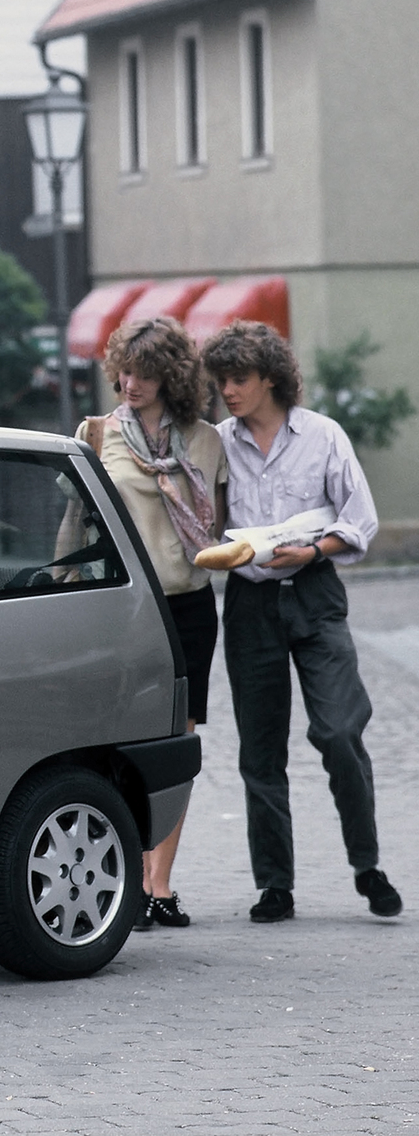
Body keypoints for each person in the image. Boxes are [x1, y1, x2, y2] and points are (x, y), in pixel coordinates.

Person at [201, 321, 401, 922]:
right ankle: (275, 885)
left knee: (340, 731)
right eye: (221, 382)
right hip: (249, 603)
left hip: (314, 592)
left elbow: (359, 521)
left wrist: (313, 551)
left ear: (270, 378)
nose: (229, 391)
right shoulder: (217, 443)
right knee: (260, 750)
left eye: (239, 380)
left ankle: (367, 866)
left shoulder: (323, 436)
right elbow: (203, 525)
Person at [78, 317, 226, 930]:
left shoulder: (207, 441)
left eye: (141, 372)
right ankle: (125, 877)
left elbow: (219, 531)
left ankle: (158, 883)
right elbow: (77, 525)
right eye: (122, 370)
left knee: (176, 744)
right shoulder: (97, 434)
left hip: (188, 606)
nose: (127, 382)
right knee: (118, 742)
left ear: (171, 377)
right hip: (123, 610)